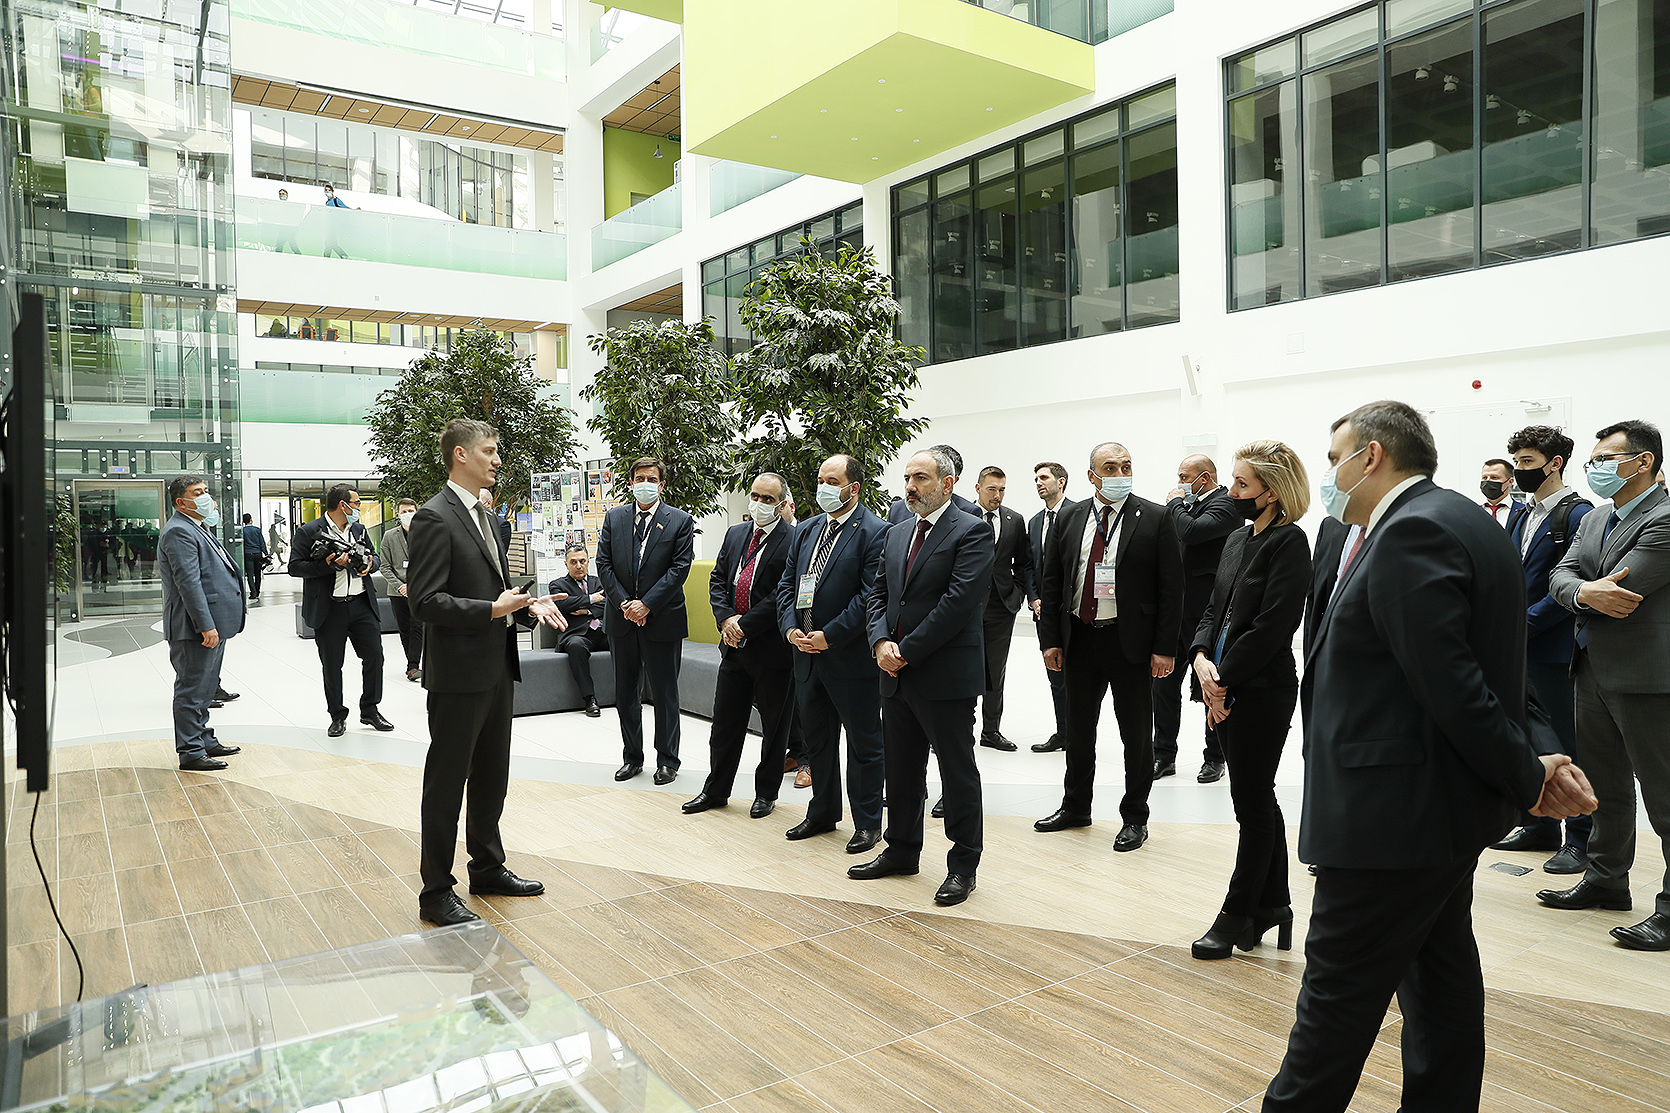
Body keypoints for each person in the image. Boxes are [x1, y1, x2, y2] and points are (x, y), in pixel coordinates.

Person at [1261, 400, 1593, 1111]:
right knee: (1440, 987)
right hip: (1434, 815)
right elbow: (1496, 663)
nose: (1330, 475)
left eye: (1335, 459)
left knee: (1332, 1009)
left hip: (1388, 819)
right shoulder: (1463, 520)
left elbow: (1455, 682)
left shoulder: (1411, 531)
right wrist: (1539, 751)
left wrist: (1528, 774)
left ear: (1372, 456)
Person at [407, 418, 568, 926]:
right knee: (446, 783)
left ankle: (487, 867)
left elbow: (489, 589)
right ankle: (436, 892)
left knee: (492, 777)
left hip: (497, 666)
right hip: (458, 674)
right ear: (460, 454)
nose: (498, 460)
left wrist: (523, 606)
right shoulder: (434, 517)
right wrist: (492, 610)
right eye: (489, 451)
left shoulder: (486, 517)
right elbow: (423, 601)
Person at [1543, 420, 1670, 951]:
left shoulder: (1664, 517)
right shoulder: (1595, 517)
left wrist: (1582, 590)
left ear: (1642, 461)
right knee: (1605, 788)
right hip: (1591, 666)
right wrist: (1582, 592)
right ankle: (1606, 879)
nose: (1595, 467)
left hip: (1646, 676)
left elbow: (1627, 587)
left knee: (1663, 796)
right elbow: (1560, 576)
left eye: (1605, 458)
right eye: (1593, 459)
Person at [1185, 442, 1311, 959]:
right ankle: (1273, 905)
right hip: (1219, 681)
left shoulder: (1290, 542)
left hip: (1261, 689)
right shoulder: (1237, 538)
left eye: (1241, 484)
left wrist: (1223, 681)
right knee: (1255, 799)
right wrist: (1199, 658)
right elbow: (1213, 610)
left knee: (1252, 802)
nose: (1231, 491)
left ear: (1273, 492)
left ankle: (1236, 913)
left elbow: (1272, 627)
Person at [852, 448, 994, 906]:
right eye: (907, 477)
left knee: (956, 772)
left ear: (947, 483)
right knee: (901, 768)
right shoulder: (897, 532)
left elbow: (958, 603)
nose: (910, 486)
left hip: (944, 675)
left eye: (921, 478)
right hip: (894, 672)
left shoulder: (972, 530)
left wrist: (905, 651)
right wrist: (879, 642)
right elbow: (878, 594)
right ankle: (901, 850)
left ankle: (963, 865)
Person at [1035, 442, 1183, 852]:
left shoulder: (1155, 517)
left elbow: (1172, 589)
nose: (1120, 474)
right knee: (1079, 731)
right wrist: (1050, 640)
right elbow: (1052, 581)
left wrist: (1165, 648)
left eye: (1126, 466)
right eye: (1111, 467)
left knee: (1135, 735)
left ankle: (1135, 817)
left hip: (1129, 642)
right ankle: (1075, 807)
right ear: (1091, 475)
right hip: (1080, 638)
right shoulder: (1070, 517)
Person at [1494, 426, 1593, 871]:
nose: (1519, 470)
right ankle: (1538, 824)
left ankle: (1580, 839)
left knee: (1568, 744)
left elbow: (1571, 584)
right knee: (1529, 737)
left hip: (1554, 649)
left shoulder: (1578, 515)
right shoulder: (1520, 513)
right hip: (1520, 648)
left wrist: (1521, 626)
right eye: (1516, 462)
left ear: (1555, 464)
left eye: (1528, 462)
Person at [779, 454, 889, 851]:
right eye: (820, 480)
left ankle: (867, 823)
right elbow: (787, 586)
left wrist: (830, 635)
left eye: (832, 481)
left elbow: (870, 596)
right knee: (818, 742)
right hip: (806, 656)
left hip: (849, 659)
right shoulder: (807, 529)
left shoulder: (875, 532)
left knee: (863, 745)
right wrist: (790, 627)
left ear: (853, 488)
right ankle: (823, 812)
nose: (823, 487)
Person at [684, 474, 796, 818]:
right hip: (733, 648)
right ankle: (716, 790)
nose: (759, 503)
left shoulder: (793, 539)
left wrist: (743, 624)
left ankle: (766, 793)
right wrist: (725, 620)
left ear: (782, 504)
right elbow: (718, 579)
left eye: (768, 499)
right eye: (755, 496)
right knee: (724, 724)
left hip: (772, 651)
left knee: (774, 728)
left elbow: (782, 593)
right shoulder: (736, 533)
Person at [596, 457, 694, 785]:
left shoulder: (679, 520)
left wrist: (647, 605)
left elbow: (679, 568)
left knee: (665, 694)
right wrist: (625, 603)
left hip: (662, 619)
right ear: (631, 482)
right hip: (621, 618)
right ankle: (632, 757)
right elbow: (603, 563)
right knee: (625, 693)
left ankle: (667, 760)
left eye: (652, 479)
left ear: (662, 484)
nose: (645, 483)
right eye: (640, 478)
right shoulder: (615, 518)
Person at [1157, 454, 1240, 783]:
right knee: (1163, 684)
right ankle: (1163, 754)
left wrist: (1174, 503)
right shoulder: (1187, 507)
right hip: (1175, 612)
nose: (1179, 482)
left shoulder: (1226, 504)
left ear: (1204, 478)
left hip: (1208, 615)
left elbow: (1191, 532)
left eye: (1184, 476)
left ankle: (1215, 757)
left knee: (1211, 684)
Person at [289, 485, 393, 737]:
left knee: (375, 657)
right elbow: (295, 567)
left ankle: (370, 710)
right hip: (329, 608)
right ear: (342, 505)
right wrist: (327, 565)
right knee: (332, 665)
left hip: (361, 604)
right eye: (356, 503)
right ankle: (337, 716)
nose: (359, 507)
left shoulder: (359, 529)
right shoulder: (309, 531)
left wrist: (370, 563)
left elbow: (375, 556)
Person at [157, 475, 245, 771]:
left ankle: (204, 739)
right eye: (198, 492)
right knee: (191, 689)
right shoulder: (178, 531)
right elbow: (189, 582)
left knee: (206, 688)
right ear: (181, 502)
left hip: (214, 623)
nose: (207, 496)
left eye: (206, 490)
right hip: (194, 627)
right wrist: (206, 625)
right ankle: (191, 751)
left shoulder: (198, 526)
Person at [971, 466, 1032, 752]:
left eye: (1002, 490)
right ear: (978, 488)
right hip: (966, 606)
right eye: (992, 489)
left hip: (1000, 605)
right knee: (963, 669)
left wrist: (1017, 594)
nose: (997, 495)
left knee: (995, 671)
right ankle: (958, 728)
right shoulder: (961, 516)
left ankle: (991, 730)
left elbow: (1023, 563)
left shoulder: (1014, 520)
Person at [1025, 462, 1075, 753]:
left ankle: (1079, 733)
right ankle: (1063, 733)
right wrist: (1034, 598)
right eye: (1036, 479)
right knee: (1055, 674)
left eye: (1044, 478)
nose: (1038, 483)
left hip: (1071, 612)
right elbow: (1028, 566)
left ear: (1061, 481)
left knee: (1076, 677)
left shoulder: (1078, 515)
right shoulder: (1034, 522)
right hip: (1043, 613)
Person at [549, 544, 607, 717]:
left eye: (582, 561)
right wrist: (591, 598)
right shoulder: (557, 585)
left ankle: (631, 694)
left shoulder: (600, 581)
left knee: (627, 640)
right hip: (576, 635)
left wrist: (586, 610)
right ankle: (590, 699)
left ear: (588, 562)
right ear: (566, 564)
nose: (579, 566)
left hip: (603, 632)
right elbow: (562, 604)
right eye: (573, 562)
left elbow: (610, 603)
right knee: (576, 646)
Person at [380, 498, 425, 683]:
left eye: (411, 511)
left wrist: (413, 585)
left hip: (419, 590)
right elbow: (384, 566)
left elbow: (430, 565)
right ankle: (412, 665)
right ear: (398, 515)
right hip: (396, 591)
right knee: (405, 629)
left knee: (417, 627)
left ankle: (413, 666)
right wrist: (399, 585)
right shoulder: (389, 536)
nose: (408, 514)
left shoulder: (426, 534)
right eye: (404, 512)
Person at [886, 444, 978, 523]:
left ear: (949, 483)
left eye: (921, 478)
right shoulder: (897, 509)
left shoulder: (969, 514)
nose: (909, 487)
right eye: (907, 479)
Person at [1480, 457, 1520, 527]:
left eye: (1494, 477)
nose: (1488, 481)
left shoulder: (1523, 512)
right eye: (1485, 477)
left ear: (1510, 482)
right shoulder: (1473, 512)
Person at [241, 512, 268, 601]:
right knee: (257, 574)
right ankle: (257, 591)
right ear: (251, 520)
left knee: (250, 575)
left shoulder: (242, 531)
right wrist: (266, 553)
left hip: (248, 554)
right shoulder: (257, 530)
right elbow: (262, 543)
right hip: (257, 554)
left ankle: (253, 593)